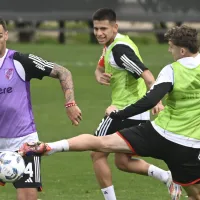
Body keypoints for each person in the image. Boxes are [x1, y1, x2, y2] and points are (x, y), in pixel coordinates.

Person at [20, 25, 200, 199]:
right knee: (194, 195)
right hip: (188, 145)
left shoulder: (172, 70)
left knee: (100, 144)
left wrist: (120, 113)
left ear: (182, 51)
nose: (170, 51)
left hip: (157, 133)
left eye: (171, 48)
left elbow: (150, 100)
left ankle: (50, 147)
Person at [91, 7, 170, 200]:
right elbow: (99, 68)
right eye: (96, 29)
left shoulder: (120, 50)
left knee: (96, 153)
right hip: (136, 112)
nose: (99, 33)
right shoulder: (113, 44)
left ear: (114, 27)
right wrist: (100, 76)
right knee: (123, 161)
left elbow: (148, 76)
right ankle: (167, 176)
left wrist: (157, 100)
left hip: (123, 111)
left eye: (103, 29)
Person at [0, 18, 82, 200]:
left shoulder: (20, 61)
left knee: (28, 197)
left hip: (23, 141)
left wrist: (70, 103)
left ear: (5, 35)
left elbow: (63, 72)